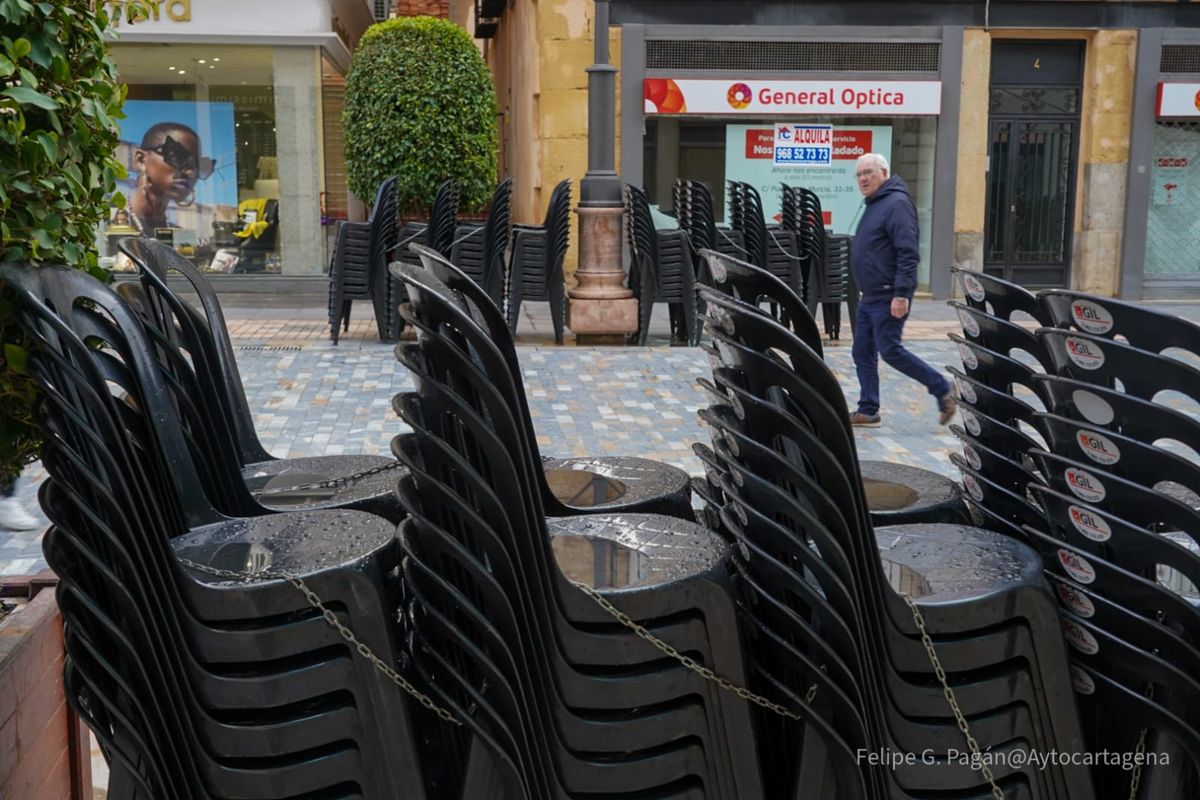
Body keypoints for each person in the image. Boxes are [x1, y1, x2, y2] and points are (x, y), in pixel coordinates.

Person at [848, 153, 956, 428]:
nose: (863, 179)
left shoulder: (896, 204)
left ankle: (942, 388)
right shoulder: (875, 203)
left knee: (891, 351)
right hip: (870, 296)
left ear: (883, 172)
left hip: (888, 295)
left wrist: (901, 293)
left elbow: (908, 252)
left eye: (868, 173)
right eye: (859, 174)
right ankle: (868, 409)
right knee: (862, 351)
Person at [127, 122, 205, 235]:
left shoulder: (180, 236)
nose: (191, 172)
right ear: (141, 160)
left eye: (198, 164)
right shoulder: (106, 221)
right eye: (177, 156)